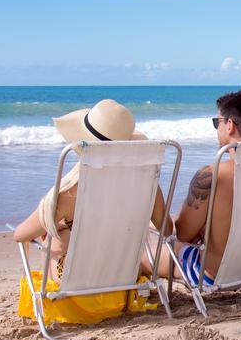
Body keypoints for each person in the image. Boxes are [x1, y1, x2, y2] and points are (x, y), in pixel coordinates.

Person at [12, 99, 169, 280]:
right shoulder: (146, 184)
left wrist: (60, 226)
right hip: (123, 278)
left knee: (57, 233)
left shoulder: (72, 192)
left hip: (77, 284)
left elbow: (21, 234)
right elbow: (165, 229)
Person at [167, 86, 241, 288]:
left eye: (217, 122)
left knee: (145, 253)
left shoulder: (213, 175)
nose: (217, 128)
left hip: (215, 274)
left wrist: (202, 226)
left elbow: (184, 234)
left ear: (229, 125)